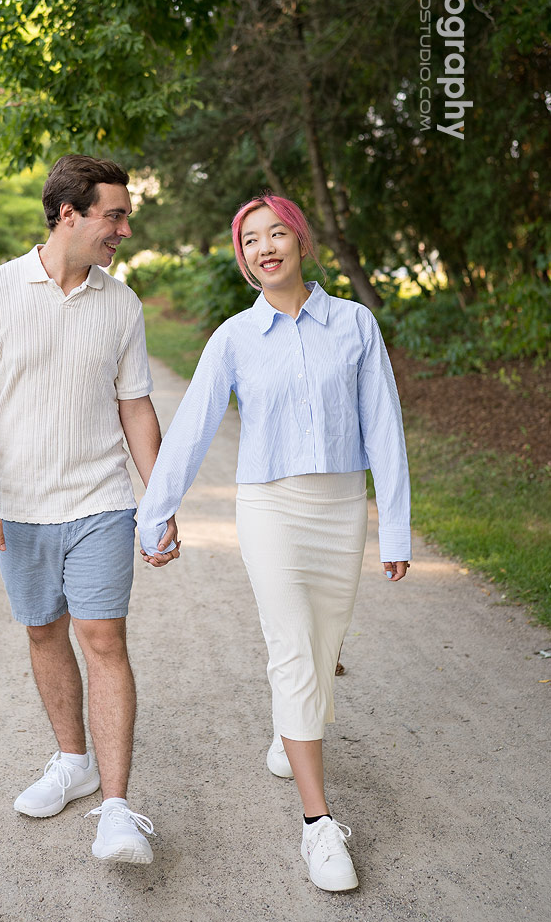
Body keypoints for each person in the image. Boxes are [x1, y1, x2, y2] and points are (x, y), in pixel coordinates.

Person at [137, 193, 410, 892]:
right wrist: (155, 511)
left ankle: (293, 732)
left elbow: (383, 428)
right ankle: (319, 827)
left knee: (322, 644)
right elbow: (194, 426)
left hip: (340, 505)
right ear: (242, 258)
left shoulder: (353, 323)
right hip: (269, 508)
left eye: (276, 233)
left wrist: (394, 529)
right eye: (250, 239)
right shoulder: (232, 337)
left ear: (300, 242)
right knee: (292, 650)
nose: (264, 247)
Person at [0, 155, 179, 866]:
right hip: (19, 507)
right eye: (114, 214)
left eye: (123, 215)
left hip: (100, 501)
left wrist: (158, 499)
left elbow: (134, 405)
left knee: (101, 638)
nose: (124, 228)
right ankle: (71, 761)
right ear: (69, 214)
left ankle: (115, 809)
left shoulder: (122, 304)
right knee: (43, 634)